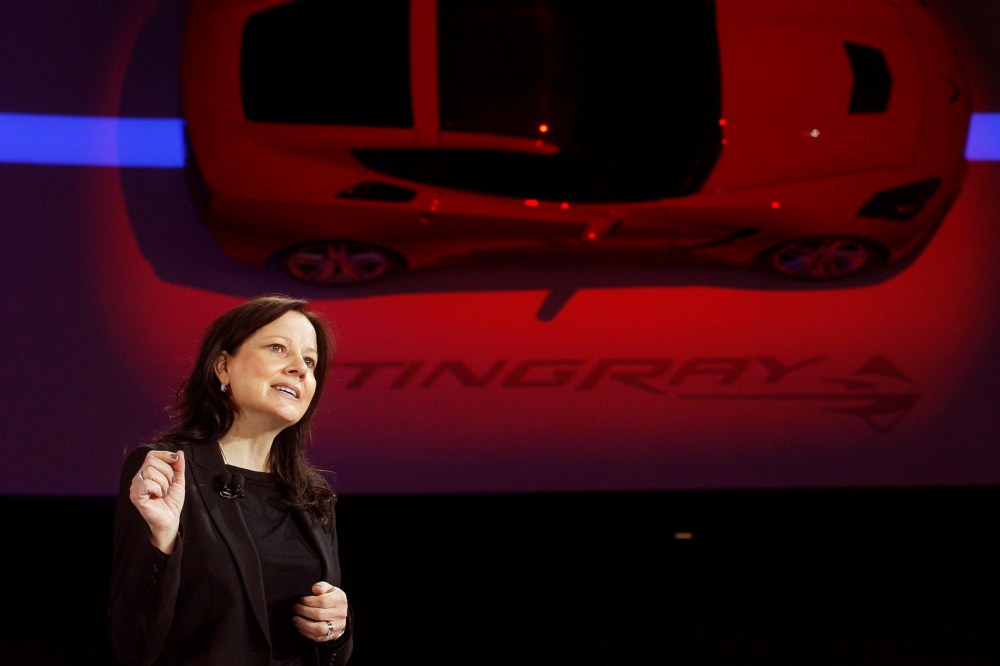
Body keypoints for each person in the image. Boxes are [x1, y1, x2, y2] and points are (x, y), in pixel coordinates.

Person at [109, 295, 353, 665]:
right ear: (223, 367)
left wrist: (335, 630)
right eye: (278, 348)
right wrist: (161, 541)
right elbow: (134, 644)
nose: (300, 370)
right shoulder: (168, 470)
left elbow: (335, 649)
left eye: (310, 361)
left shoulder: (312, 495)